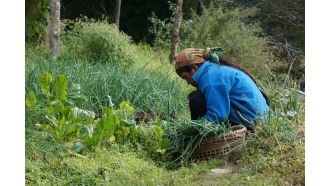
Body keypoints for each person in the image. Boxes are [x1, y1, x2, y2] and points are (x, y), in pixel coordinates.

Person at [175, 48, 269, 130]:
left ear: (194, 69)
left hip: (251, 125)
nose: (188, 82)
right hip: (263, 121)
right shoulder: (216, 70)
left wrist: (192, 128)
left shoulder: (211, 78)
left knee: (196, 98)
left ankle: (202, 143)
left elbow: (219, 115)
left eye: (185, 77)